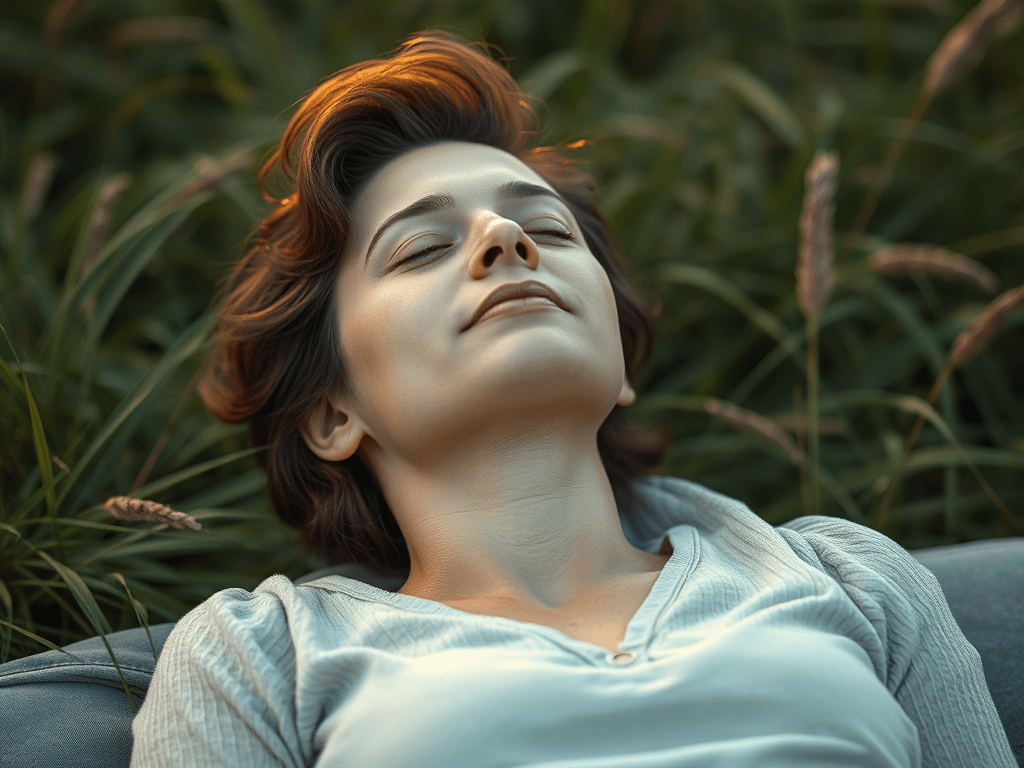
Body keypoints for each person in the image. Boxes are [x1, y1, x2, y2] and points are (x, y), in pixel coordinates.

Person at [129, 31, 1016, 768]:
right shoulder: (257, 656)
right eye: (419, 249)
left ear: (620, 361)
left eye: (546, 228)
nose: (506, 237)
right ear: (331, 412)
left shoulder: (852, 580)